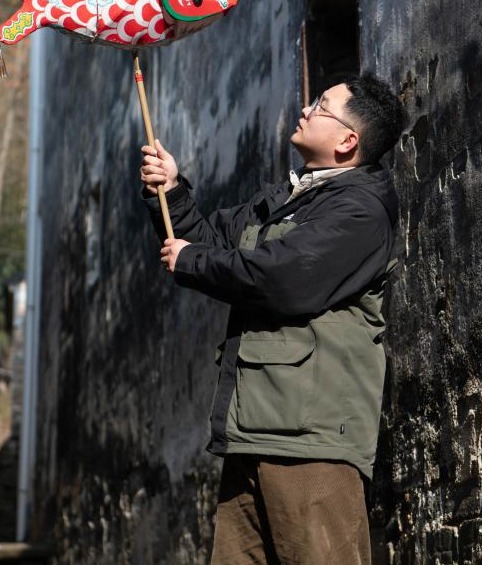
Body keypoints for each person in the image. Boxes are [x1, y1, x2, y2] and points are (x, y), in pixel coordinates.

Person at [139, 74, 405, 564]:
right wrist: (171, 191)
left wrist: (192, 260)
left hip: (312, 438)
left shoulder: (359, 210)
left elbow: (282, 279)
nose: (306, 109)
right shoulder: (289, 197)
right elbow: (208, 239)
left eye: (321, 106)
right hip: (253, 429)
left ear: (349, 140)